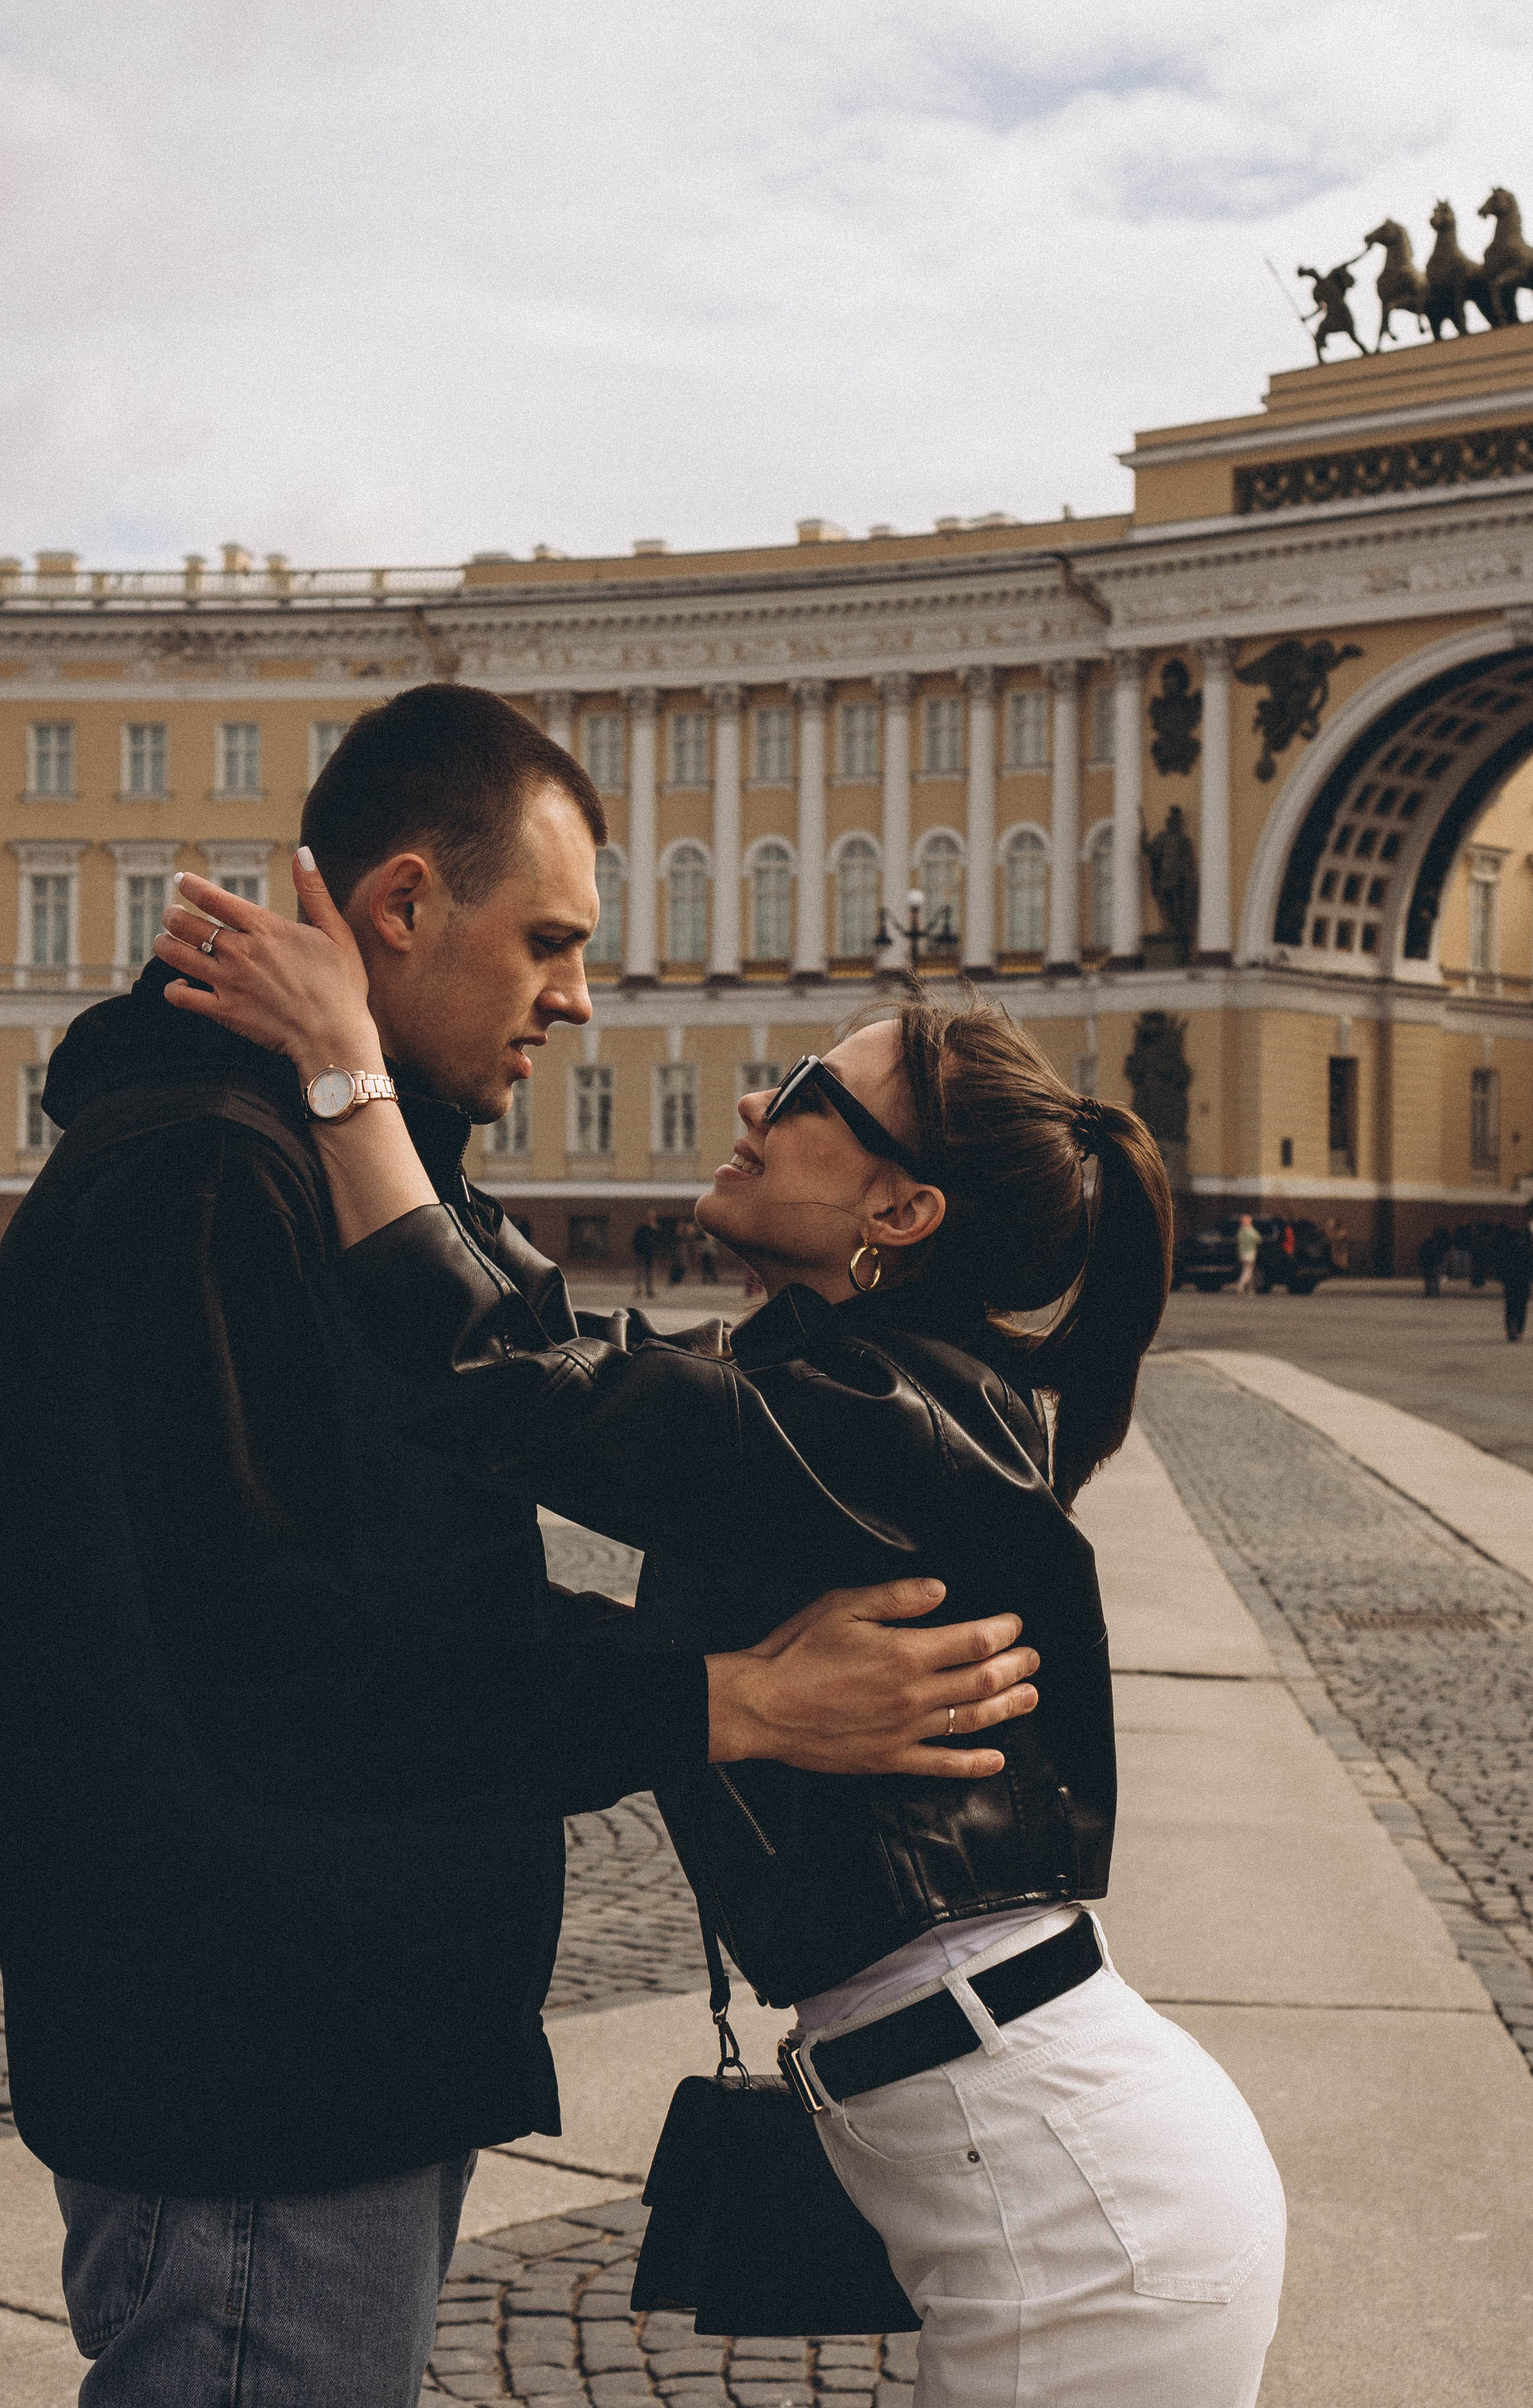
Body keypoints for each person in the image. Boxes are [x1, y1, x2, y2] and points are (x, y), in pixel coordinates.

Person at [0, 686, 1038, 2408]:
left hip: (334, 2048)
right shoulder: (205, 1177)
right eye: (548, 939)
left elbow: (513, 1427)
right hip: (265, 2069)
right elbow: (284, 1666)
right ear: (402, 907)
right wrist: (723, 1698)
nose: (576, 992)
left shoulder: (326, 1169)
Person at [150, 859, 1288, 2408]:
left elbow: (494, 1375)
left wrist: (348, 1064)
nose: (757, 1096)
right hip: (1039, 2163)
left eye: (813, 1089)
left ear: (901, 1207)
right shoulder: (851, 1403)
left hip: (1075, 2219)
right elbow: (566, 1369)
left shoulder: (880, 1423)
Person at [1496, 1223, 1533, 1342]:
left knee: (1510, 1307)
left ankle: (1510, 1331)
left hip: (1510, 1282)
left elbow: (1502, 1266)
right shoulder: (1527, 1249)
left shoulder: (1507, 1249)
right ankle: (1519, 1330)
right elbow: (1532, 1266)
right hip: (1523, 1282)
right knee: (1522, 1308)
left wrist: (1502, 1279)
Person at [632, 1215, 659, 1299]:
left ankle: (649, 1290)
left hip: (649, 1254)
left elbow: (657, 1240)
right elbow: (636, 1241)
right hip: (641, 1253)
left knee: (649, 1273)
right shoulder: (641, 1229)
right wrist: (637, 1251)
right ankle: (638, 1290)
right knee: (640, 1273)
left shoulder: (653, 1229)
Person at [1234, 1211, 1261, 1294]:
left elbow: (1239, 1243)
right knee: (1248, 1271)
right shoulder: (1251, 1231)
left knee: (1247, 1271)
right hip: (1250, 1253)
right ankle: (1240, 1286)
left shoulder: (1240, 1232)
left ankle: (1251, 1289)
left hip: (1242, 1254)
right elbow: (1258, 1239)